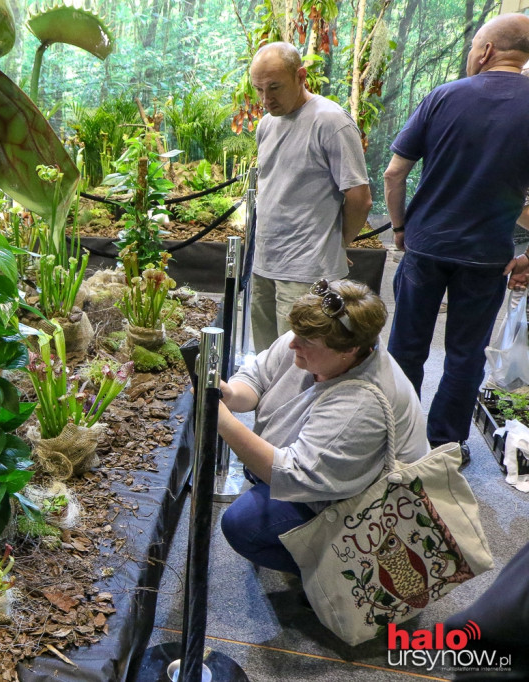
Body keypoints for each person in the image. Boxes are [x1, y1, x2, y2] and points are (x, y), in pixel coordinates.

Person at [384, 13, 529, 466]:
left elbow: (394, 173)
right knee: (465, 354)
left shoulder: (443, 96)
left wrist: (401, 228)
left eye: (472, 48)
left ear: (485, 51)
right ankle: (447, 445)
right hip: (488, 255)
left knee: (405, 345)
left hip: (426, 246)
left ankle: (393, 439)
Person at [218, 279, 429, 574]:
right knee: (256, 468)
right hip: (324, 474)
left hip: (368, 509)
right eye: (297, 333)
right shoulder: (315, 340)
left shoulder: (361, 404)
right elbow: (258, 375)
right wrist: (231, 395)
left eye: (306, 342)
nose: (292, 343)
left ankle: (345, 572)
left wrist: (223, 420)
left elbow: (292, 475)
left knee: (244, 526)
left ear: (349, 350)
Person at [248, 42, 372, 352]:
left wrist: (338, 244)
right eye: (259, 89)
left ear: (301, 76)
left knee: (300, 360)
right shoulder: (267, 124)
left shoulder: (330, 121)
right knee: (266, 358)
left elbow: (359, 197)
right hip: (265, 262)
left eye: (274, 87)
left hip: (306, 269)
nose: (266, 99)